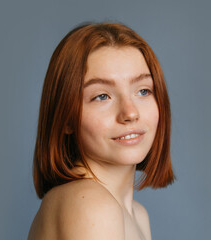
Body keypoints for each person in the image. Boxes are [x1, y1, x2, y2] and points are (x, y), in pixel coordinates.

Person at [28, 22, 175, 240]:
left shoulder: (137, 214)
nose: (130, 113)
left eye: (143, 91)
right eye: (102, 96)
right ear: (66, 117)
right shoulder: (91, 204)